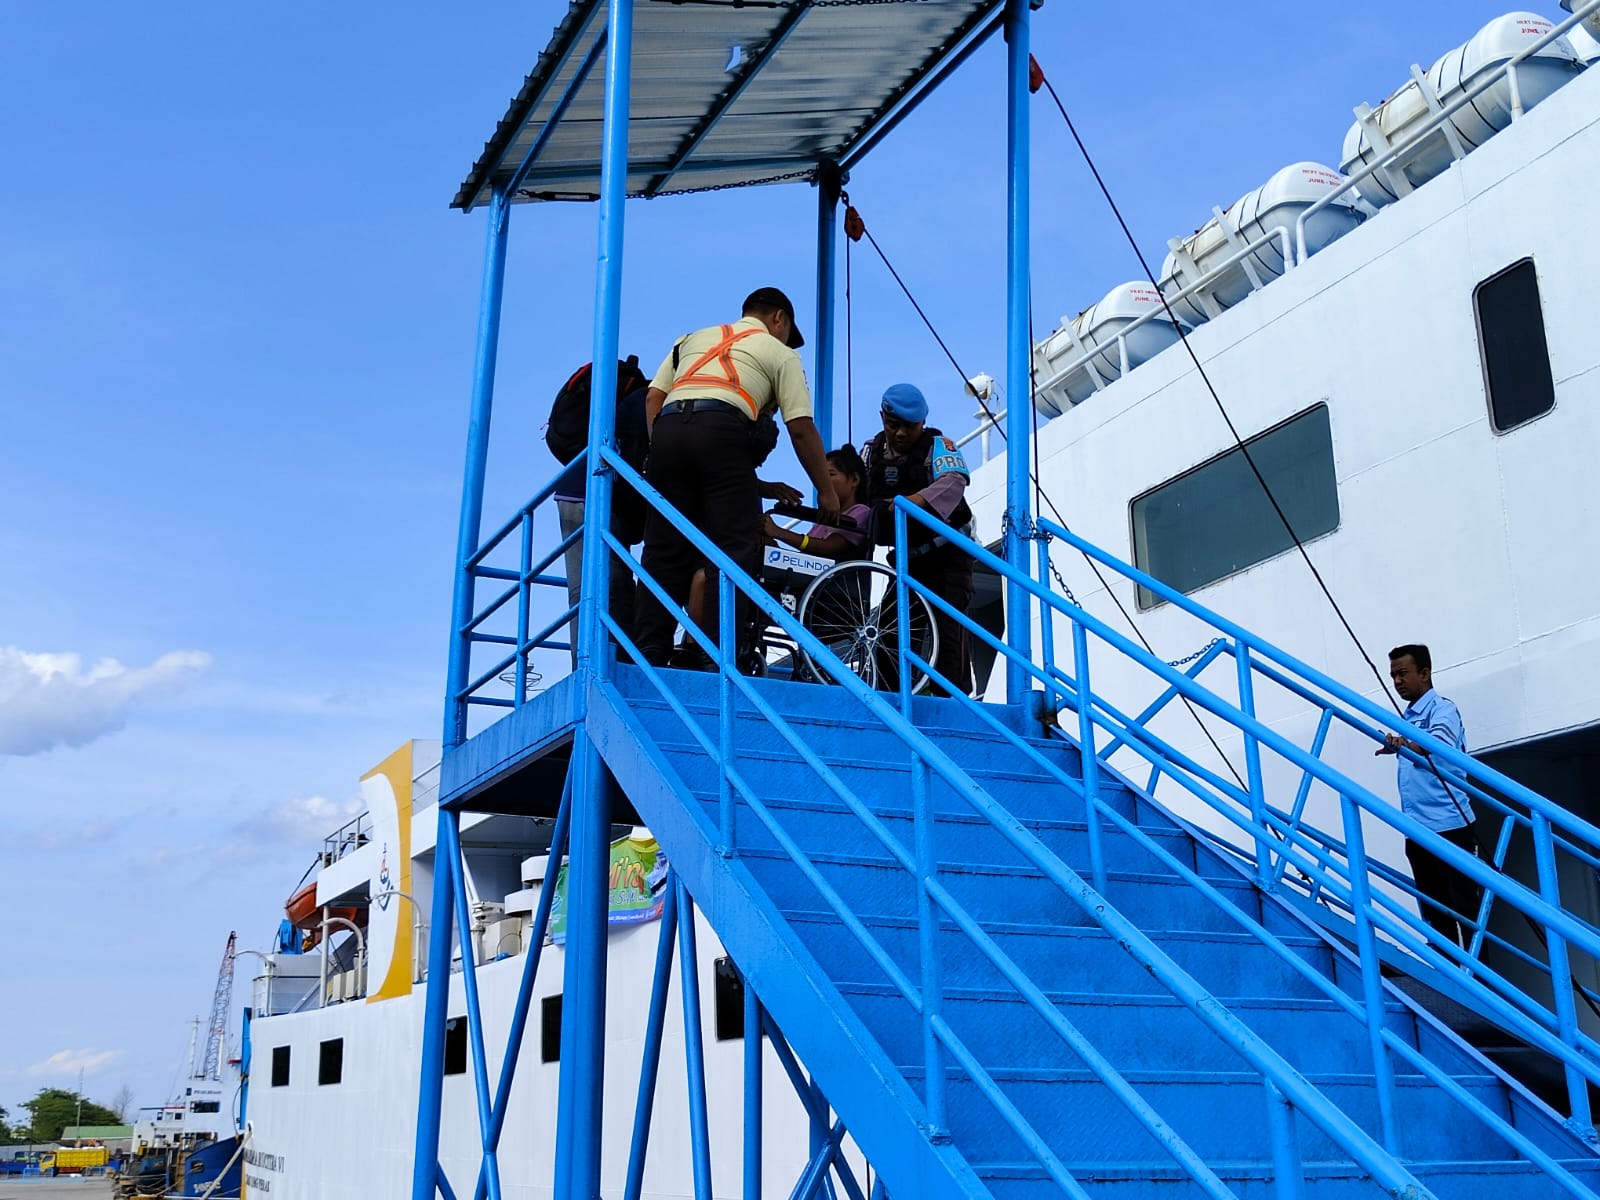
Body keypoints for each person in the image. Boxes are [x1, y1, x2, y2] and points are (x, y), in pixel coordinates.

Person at [634, 287, 837, 670]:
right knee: (735, 546)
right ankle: (714, 656)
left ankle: (648, 652)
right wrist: (826, 492)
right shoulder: (781, 353)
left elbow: (652, 399)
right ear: (779, 318)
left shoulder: (689, 339)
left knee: (663, 549)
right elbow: (800, 428)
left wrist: (660, 445)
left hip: (667, 432)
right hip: (724, 428)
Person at [860, 383, 975, 696]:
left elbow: (954, 482)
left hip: (947, 557)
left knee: (948, 637)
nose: (899, 433)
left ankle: (954, 704)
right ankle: (893, 701)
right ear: (882, 418)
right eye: (892, 424)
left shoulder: (939, 446)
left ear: (922, 423)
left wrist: (909, 502)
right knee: (888, 635)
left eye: (909, 427)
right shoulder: (870, 453)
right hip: (907, 561)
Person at [1377, 643, 1483, 949]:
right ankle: (1447, 971)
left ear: (1424, 673)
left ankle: (1480, 974)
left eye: (1402, 673)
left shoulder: (1443, 709)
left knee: (1466, 910)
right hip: (1418, 830)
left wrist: (1404, 744)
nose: (1397, 681)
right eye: (1393, 676)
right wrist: (1400, 743)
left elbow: (1435, 744)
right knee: (1435, 912)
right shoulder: (1407, 717)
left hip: (1452, 827)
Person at [549, 360, 651, 662]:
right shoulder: (646, 404)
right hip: (594, 494)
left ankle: (596, 661)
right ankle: (598, 663)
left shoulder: (635, 402)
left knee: (596, 586)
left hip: (582, 492)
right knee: (606, 585)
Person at [762, 445, 873, 561]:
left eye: (831, 475)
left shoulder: (861, 512)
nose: (824, 482)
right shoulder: (826, 516)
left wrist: (779, 532)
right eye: (822, 477)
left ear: (854, 479)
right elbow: (806, 550)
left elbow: (827, 547)